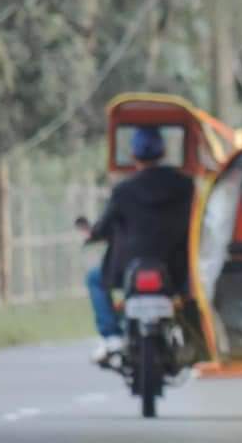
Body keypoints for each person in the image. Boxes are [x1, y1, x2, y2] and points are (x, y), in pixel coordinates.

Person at [82, 127, 194, 362]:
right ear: (163, 152)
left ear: (133, 155)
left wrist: (92, 233)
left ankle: (111, 336)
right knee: (196, 293)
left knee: (94, 279)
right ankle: (195, 339)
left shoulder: (124, 190)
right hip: (176, 268)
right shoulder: (186, 187)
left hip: (127, 268)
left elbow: (103, 228)